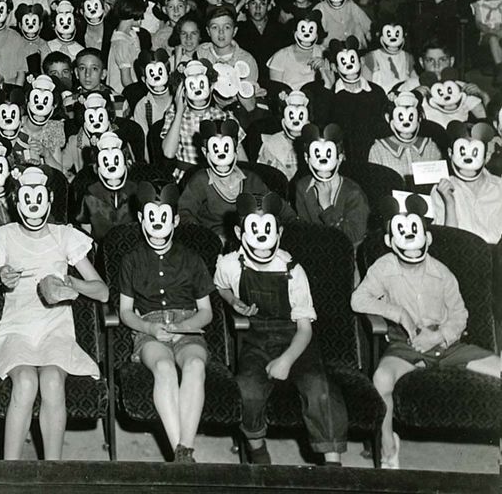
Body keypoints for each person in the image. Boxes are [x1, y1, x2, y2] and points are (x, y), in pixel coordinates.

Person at [351, 196, 501, 469]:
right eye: (402, 235)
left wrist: (439, 335)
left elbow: (460, 315)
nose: (410, 243)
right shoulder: (383, 268)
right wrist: (398, 313)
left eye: (416, 235)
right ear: (390, 242)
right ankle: (388, 447)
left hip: (448, 343)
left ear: (428, 239)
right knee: (382, 378)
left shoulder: (443, 274)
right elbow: (358, 300)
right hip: (406, 344)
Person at [0, 166, 108, 461]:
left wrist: (72, 282)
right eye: (26, 198)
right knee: (26, 382)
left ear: (50, 199)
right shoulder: (3, 236)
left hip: (55, 327)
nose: (33, 205)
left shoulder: (65, 236)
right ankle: (11, 471)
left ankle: (53, 470)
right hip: (16, 328)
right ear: (16, 202)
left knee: (52, 382)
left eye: (40, 197)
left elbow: (103, 291)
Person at [214, 193, 347, 464]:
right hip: (256, 340)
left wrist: (286, 360)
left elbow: (305, 329)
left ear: (279, 232)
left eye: (269, 230)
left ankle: (333, 466)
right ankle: (257, 449)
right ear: (240, 233)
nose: (262, 240)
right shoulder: (231, 263)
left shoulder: (293, 270)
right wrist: (233, 301)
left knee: (320, 389)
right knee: (247, 389)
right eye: (253, 230)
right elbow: (219, 285)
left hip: (296, 338)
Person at [116, 183, 212, 464]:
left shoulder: (192, 259)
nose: (158, 224)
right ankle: (181, 453)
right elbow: (125, 312)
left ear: (175, 221)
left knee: (194, 365)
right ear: (142, 220)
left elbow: (206, 313)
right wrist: (149, 329)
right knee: (164, 367)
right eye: (151, 218)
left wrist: (181, 328)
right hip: (148, 326)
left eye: (164, 218)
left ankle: (185, 448)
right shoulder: (131, 260)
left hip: (187, 324)